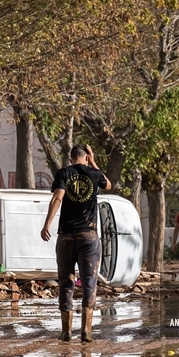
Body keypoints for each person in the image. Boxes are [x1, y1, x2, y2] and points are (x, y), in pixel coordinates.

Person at [41, 144, 111, 342]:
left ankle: (66, 331)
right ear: (86, 157)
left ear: (71, 158)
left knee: (66, 282)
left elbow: (57, 198)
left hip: (66, 237)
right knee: (89, 282)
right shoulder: (95, 174)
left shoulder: (64, 172)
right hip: (89, 236)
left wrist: (47, 224)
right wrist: (94, 161)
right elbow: (108, 185)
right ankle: (86, 331)